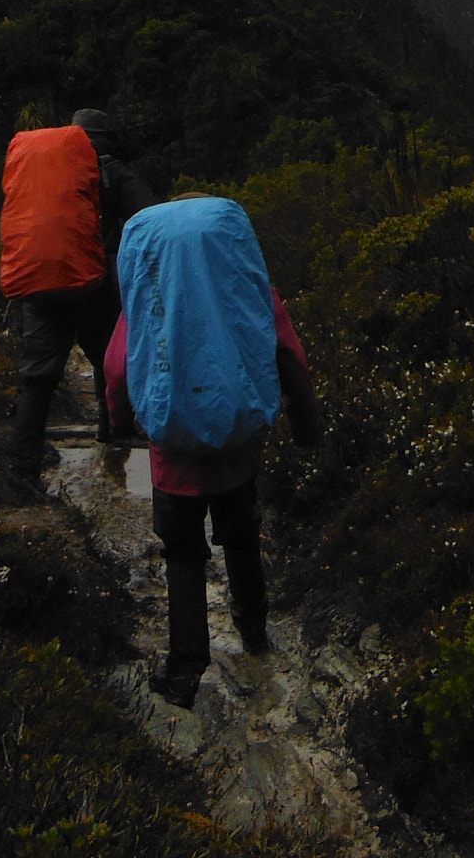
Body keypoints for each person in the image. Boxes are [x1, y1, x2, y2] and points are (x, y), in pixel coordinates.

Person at [104, 195, 324, 710]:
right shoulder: (249, 290)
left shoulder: (147, 298)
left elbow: (117, 369)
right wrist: (307, 430)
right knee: (241, 535)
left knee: (183, 554)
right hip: (238, 449)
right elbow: (290, 355)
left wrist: (118, 428)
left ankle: (184, 672)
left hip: (173, 459)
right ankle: (254, 633)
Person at [5, 108, 156, 479]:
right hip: (91, 283)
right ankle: (113, 432)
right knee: (110, 359)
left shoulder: (38, 168)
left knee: (37, 376)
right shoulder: (109, 170)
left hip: (37, 282)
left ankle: (23, 468)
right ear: (102, 139)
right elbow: (150, 216)